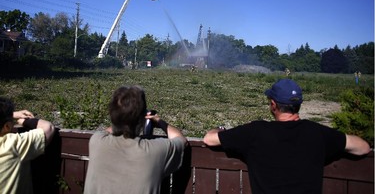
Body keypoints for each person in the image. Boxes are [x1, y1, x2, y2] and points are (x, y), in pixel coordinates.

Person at [203, 79, 371, 194]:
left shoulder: (255, 131)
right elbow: (363, 148)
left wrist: (220, 128)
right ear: (298, 105)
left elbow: (209, 139)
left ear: (273, 105)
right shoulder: (318, 132)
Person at [84, 85, 187, 194]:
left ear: (112, 114)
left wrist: (121, 117)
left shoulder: (96, 141)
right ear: (142, 118)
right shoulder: (155, 150)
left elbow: (108, 130)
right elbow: (181, 140)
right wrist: (159, 121)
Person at [0, 96, 55, 194]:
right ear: (7, 126)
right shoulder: (12, 144)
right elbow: (48, 128)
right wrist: (26, 121)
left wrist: (9, 115)